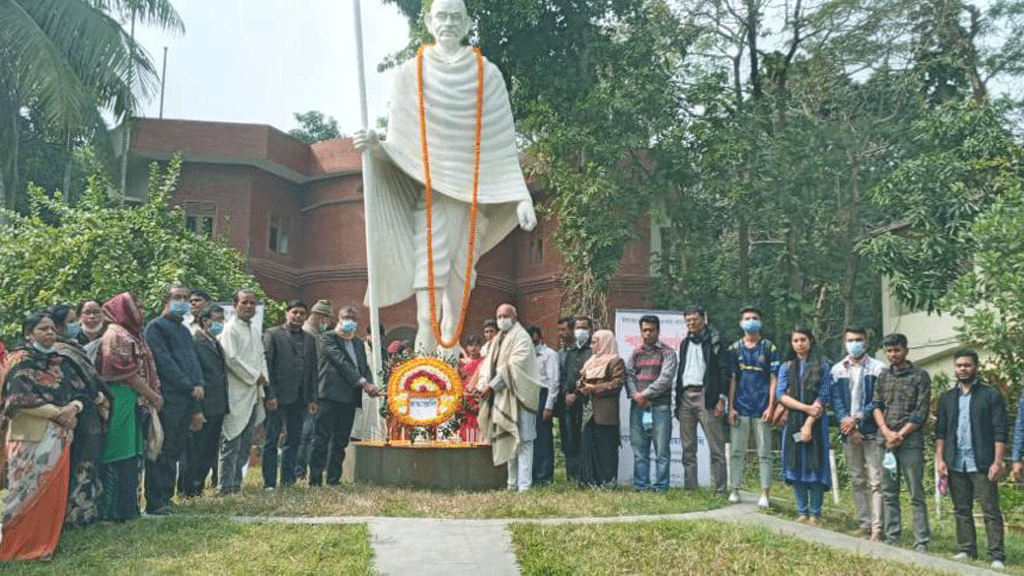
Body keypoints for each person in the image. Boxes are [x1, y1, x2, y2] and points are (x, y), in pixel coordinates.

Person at [353, 0, 537, 354]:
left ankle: (449, 373)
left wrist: (521, 197)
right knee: (428, 301)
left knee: (460, 292)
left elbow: (500, 146)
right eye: (442, 16)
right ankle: (424, 368)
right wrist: (375, 146)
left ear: (468, 23)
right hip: (432, 199)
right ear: (428, 21)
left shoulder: (488, 74)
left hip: (472, 200)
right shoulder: (410, 73)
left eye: (456, 17)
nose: (449, 23)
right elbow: (400, 145)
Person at [0, 313, 108, 560]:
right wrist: (59, 412)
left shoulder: (62, 361)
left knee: (51, 493)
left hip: (60, 435)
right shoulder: (19, 362)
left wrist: (74, 409)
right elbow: (18, 401)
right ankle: (15, 547)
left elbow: (82, 392)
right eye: (43, 329)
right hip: (29, 436)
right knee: (23, 493)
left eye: (52, 329)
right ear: (29, 334)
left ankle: (43, 545)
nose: (50, 333)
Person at [935, 349, 1007, 570]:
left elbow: (1000, 431)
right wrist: (940, 459)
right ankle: (967, 549)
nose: (962, 369)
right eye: (959, 366)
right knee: (961, 509)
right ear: (954, 369)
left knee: (990, 510)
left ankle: (997, 556)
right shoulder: (947, 398)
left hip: (982, 462)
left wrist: (997, 461)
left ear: (976, 367)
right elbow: (940, 432)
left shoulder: (990, 396)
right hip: (956, 461)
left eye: (967, 365)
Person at [95, 292, 162, 521]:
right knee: (119, 454)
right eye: (138, 308)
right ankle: (115, 511)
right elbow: (128, 375)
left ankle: (129, 508)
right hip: (121, 398)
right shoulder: (117, 335)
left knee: (132, 454)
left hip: (131, 399)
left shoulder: (132, 334)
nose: (141, 313)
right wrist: (152, 396)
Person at [144, 284, 205, 514]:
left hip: (187, 398)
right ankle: (156, 501)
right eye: (177, 297)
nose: (183, 301)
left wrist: (199, 384)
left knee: (175, 450)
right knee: (162, 449)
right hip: (168, 397)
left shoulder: (183, 330)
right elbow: (164, 363)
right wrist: (189, 386)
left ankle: (166, 497)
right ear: (165, 301)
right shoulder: (156, 327)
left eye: (186, 298)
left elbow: (193, 362)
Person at [873, 333, 931, 552]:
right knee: (888, 491)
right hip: (885, 442)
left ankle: (921, 540)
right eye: (889, 351)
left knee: (916, 492)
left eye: (896, 350)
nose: (893, 355)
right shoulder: (882, 376)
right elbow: (876, 406)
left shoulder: (920, 376)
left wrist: (900, 435)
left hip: (910, 442)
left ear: (906, 350)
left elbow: (921, 412)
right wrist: (887, 432)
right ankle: (892, 535)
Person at [476, 304, 542, 491]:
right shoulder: (498, 339)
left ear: (514, 317)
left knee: (524, 441)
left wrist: (492, 386)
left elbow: (514, 367)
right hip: (503, 397)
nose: (501, 319)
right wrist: (483, 385)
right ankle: (511, 484)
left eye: (505, 315)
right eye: (499, 316)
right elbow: (487, 365)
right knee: (509, 439)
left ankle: (524, 486)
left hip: (521, 396)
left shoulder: (521, 337)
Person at [310, 306, 378, 486]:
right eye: (346, 317)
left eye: (353, 318)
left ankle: (333, 479)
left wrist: (371, 385)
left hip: (349, 397)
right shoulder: (328, 338)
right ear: (338, 318)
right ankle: (315, 480)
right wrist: (365, 383)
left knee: (341, 441)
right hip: (329, 396)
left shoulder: (357, 343)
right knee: (321, 439)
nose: (350, 321)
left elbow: (363, 367)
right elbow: (342, 363)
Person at [830, 326, 886, 540]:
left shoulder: (879, 368)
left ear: (867, 342)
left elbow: (878, 400)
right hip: (848, 432)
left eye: (859, 339)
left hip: (871, 431)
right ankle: (864, 523)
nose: (855, 343)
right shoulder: (837, 369)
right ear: (845, 342)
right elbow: (835, 400)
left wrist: (859, 419)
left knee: (876, 481)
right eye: (851, 340)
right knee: (857, 480)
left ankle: (878, 528)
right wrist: (848, 424)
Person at [776, 327, 832, 524]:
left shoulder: (823, 367)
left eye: (803, 340)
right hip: (792, 422)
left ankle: (815, 513)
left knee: (815, 465)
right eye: (795, 340)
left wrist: (809, 422)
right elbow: (781, 395)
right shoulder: (786, 367)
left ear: (811, 341)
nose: (799, 344)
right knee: (795, 463)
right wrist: (805, 408)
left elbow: (824, 397)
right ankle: (802, 511)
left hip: (816, 423)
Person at [262, 299, 318, 490]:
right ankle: (269, 483)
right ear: (287, 313)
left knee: (294, 440)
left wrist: (312, 398)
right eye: (294, 312)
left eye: (302, 313)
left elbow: (312, 371)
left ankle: (288, 481)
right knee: (271, 440)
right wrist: (270, 394)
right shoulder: (273, 334)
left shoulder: (310, 339)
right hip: (277, 397)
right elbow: (267, 366)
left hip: (300, 398)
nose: (298, 316)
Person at [218, 289, 269, 495]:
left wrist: (263, 376)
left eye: (252, 303)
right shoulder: (230, 329)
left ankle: (236, 485)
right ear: (235, 306)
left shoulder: (253, 330)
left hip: (253, 393)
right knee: (231, 441)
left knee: (245, 442)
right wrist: (254, 375)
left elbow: (261, 356)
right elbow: (231, 359)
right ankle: (224, 487)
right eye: (244, 302)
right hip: (236, 393)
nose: (249, 306)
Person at [727, 306, 778, 506]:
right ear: (740, 323)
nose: (751, 321)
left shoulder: (769, 348)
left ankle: (765, 493)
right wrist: (730, 406)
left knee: (764, 453)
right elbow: (732, 379)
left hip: (762, 407)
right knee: (736, 452)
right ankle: (735, 489)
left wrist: (771, 406)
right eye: (747, 318)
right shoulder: (734, 349)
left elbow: (774, 378)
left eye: (755, 318)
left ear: (761, 322)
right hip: (741, 406)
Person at [675, 306, 729, 494]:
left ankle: (721, 489)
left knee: (716, 447)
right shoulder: (684, 343)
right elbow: (681, 372)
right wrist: (678, 401)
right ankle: (691, 489)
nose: (691, 323)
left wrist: (721, 399)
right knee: (688, 447)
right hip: (686, 397)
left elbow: (724, 372)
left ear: (704, 319)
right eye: (688, 321)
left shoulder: (715, 341)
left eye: (695, 320)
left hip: (707, 396)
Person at [626, 314, 677, 492]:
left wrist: (645, 395)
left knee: (662, 451)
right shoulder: (635, 352)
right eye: (644, 330)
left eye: (651, 330)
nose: (647, 334)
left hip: (659, 407)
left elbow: (665, 379)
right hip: (638, 408)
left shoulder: (668, 352)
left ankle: (661, 486)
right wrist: (634, 394)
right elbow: (629, 375)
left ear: (658, 331)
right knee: (640, 451)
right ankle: (641, 486)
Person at [185, 305, 230, 496]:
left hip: (217, 405)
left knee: (209, 449)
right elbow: (194, 376)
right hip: (204, 405)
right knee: (197, 451)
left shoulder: (214, 342)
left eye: (222, 320)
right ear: (205, 321)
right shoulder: (195, 343)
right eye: (217, 320)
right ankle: (190, 489)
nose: (220, 324)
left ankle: (198, 487)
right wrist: (197, 409)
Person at [576, 329, 625, 487]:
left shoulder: (615, 361)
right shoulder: (590, 362)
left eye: (595, 342)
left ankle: (607, 481)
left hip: (605, 412)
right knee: (589, 445)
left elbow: (617, 384)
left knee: (605, 448)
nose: (592, 346)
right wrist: (582, 387)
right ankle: (589, 481)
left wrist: (594, 389)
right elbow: (583, 381)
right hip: (589, 411)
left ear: (605, 342)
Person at [296, 298, 333, 479]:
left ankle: (304, 469)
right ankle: (299, 470)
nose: (328, 322)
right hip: (306, 391)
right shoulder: (306, 334)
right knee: (305, 433)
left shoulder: (317, 334)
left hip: (316, 389)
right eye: (327, 318)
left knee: (312, 433)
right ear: (319, 316)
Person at [558, 316, 593, 482]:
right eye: (577, 327)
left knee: (584, 440)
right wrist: (566, 394)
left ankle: (584, 476)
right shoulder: (570, 352)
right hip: (568, 403)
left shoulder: (592, 351)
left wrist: (577, 394)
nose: (580, 331)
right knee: (569, 440)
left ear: (590, 329)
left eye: (583, 327)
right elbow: (564, 376)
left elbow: (591, 377)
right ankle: (571, 476)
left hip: (586, 402)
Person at [529, 325, 559, 485]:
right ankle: (533, 473)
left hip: (543, 395)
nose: (533, 344)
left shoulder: (549, 355)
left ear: (540, 338)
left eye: (534, 341)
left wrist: (549, 406)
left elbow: (553, 382)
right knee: (530, 437)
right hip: (529, 396)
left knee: (543, 437)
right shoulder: (526, 355)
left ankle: (545, 475)